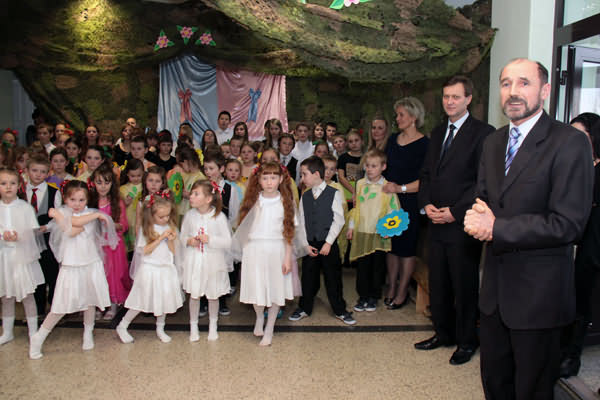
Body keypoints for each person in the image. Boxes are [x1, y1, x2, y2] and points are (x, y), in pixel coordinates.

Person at [463, 58, 594, 399]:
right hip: (494, 296)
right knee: (495, 385)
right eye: (506, 83)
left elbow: (569, 223)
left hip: (539, 298)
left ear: (545, 90)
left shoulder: (569, 142)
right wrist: (477, 216)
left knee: (532, 391)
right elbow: (485, 198)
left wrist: (496, 227)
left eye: (524, 83)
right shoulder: (494, 142)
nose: (513, 92)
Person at [415, 77, 494, 365]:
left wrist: (456, 211)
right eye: (446, 97)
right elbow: (426, 174)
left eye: (456, 97)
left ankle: (466, 341)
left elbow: (482, 181)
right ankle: (442, 333)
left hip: (463, 223)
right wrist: (426, 204)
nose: (449, 102)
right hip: (435, 222)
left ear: (468, 99)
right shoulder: (438, 133)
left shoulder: (484, 133)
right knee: (438, 283)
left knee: (463, 285)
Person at [29, 180, 118, 359]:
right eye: (72, 200)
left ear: (87, 200)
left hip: (90, 262)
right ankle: (38, 337)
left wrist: (60, 216)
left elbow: (74, 226)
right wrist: (60, 216)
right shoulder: (65, 213)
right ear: (65, 199)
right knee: (60, 305)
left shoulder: (88, 214)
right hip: (71, 265)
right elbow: (69, 230)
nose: (77, 204)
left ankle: (88, 333)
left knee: (90, 300)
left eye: (81, 200)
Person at [233, 162, 307, 346]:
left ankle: (270, 328)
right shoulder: (253, 201)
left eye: (273, 178)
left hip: (277, 250)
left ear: (280, 179)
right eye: (265, 178)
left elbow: (289, 233)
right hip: (254, 250)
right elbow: (244, 229)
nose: (269, 182)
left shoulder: (286, 202)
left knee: (275, 291)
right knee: (256, 289)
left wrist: (288, 257)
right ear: (258, 180)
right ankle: (259, 317)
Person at [289, 156, 355, 325]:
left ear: (316, 174)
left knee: (333, 277)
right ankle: (304, 307)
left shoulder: (334, 193)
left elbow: (338, 220)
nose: (302, 178)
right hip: (310, 244)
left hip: (328, 244)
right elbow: (301, 222)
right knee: (308, 277)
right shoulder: (305, 195)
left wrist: (328, 243)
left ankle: (339, 309)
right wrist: (305, 244)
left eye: (304, 174)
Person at [559, 115, 600, 377]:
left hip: (592, 247)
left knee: (582, 303)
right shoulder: (568, 164)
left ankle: (571, 356)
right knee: (568, 302)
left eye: (580, 135)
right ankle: (562, 352)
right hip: (567, 245)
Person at [116, 192, 184, 344]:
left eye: (168, 215)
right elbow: (144, 250)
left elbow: (173, 252)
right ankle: (123, 325)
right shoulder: (146, 229)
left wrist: (171, 240)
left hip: (165, 269)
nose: (165, 219)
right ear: (151, 215)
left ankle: (160, 328)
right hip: (150, 269)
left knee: (164, 300)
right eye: (161, 217)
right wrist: (160, 238)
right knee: (140, 300)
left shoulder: (170, 227)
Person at [347, 149, 399, 312]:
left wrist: (389, 229)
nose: (369, 169)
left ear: (383, 167)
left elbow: (393, 209)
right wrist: (351, 226)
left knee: (377, 267)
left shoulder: (387, 187)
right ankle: (362, 296)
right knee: (362, 266)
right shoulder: (360, 184)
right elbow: (356, 207)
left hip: (378, 233)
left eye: (374, 166)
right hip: (362, 231)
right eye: (367, 165)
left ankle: (373, 297)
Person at [181, 180, 232, 341]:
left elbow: (228, 241)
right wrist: (189, 241)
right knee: (194, 295)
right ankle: (193, 326)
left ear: (208, 199)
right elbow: (182, 236)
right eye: (191, 193)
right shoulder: (189, 216)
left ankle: (213, 325)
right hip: (195, 260)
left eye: (196, 194)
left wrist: (210, 239)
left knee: (213, 295)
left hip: (213, 262)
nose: (191, 196)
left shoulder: (219, 217)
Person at [0, 168, 45, 345]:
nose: (8, 187)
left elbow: (32, 232)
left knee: (27, 295)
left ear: (19, 185)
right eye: (3, 183)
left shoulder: (25, 208)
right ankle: (7, 331)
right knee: (6, 295)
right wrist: (2, 235)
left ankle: (33, 332)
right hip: (4, 257)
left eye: (12, 183)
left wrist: (19, 236)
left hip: (22, 257)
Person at [89, 164, 131, 320]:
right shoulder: (90, 202)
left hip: (113, 245)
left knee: (113, 275)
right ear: (93, 183)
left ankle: (113, 304)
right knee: (98, 274)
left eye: (106, 182)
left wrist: (110, 223)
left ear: (112, 184)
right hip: (95, 244)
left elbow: (124, 225)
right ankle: (99, 305)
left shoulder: (117, 202)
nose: (103, 186)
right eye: (99, 182)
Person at [25, 154, 62, 316]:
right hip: (27, 240)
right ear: (27, 171)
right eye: (34, 170)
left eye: (42, 172)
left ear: (48, 173)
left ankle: (54, 308)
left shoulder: (54, 192)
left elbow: (59, 217)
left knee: (51, 273)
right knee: (34, 273)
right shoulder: (21, 192)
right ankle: (38, 309)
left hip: (48, 239)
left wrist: (46, 227)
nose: (38, 174)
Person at [119, 158, 144, 257]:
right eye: (132, 176)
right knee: (130, 248)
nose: (136, 178)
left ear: (143, 173)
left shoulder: (146, 186)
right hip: (129, 219)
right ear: (127, 174)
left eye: (139, 175)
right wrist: (125, 203)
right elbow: (119, 207)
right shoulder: (123, 189)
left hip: (142, 220)